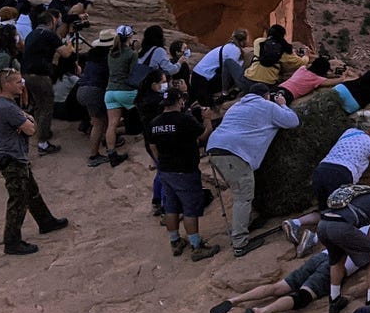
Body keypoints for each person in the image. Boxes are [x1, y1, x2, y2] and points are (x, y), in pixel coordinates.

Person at [209, 222, 370, 313]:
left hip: (321, 257)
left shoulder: (361, 226)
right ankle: (261, 312)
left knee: (279, 287)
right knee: (302, 296)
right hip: (332, 267)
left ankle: (234, 300)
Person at [203, 84, 299, 257]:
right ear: (267, 95)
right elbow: (292, 121)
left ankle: (245, 224)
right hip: (234, 153)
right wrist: (282, 104)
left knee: (241, 191)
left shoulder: (237, 105)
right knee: (243, 197)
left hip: (215, 148)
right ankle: (240, 243)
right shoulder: (267, 105)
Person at [0, 70, 68, 255]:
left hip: (17, 157)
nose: (21, 85)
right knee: (18, 200)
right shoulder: (7, 107)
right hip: (13, 159)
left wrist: (26, 121)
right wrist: (27, 122)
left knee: (31, 192)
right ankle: (12, 241)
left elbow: (27, 122)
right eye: (18, 82)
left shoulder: (6, 104)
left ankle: (46, 221)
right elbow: (31, 129)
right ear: (7, 85)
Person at [146, 90, 219, 260]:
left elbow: (152, 145)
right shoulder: (184, 119)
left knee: (171, 207)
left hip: (165, 170)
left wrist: (160, 163)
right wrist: (208, 120)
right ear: (179, 101)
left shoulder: (155, 122)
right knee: (189, 209)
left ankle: (175, 241)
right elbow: (201, 136)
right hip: (185, 170)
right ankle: (196, 246)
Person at [314, 180, 370, 313]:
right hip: (341, 228)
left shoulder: (360, 196)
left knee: (338, 259)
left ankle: (335, 300)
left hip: (323, 225)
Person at [309, 125, 370, 205]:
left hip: (321, 169)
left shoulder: (349, 131)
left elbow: (368, 149)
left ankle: (296, 222)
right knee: (339, 208)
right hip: (340, 173)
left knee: (324, 209)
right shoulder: (368, 142)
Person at [20, 10, 69, 155]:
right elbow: (65, 53)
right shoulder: (49, 35)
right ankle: (43, 142)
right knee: (47, 106)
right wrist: (70, 46)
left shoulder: (32, 34)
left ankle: (39, 130)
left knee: (38, 105)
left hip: (27, 74)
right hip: (40, 76)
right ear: (52, 21)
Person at [101, 24, 140, 162]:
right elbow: (133, 74)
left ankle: (112, 154)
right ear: (130, 37)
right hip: (126, 91)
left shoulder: (111, 53)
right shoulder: (132, 54)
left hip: (110, 92)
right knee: (147, 107)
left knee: (112, 124)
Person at [77, 31, 116, 166]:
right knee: (98, 123)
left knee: (101, 119)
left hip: (82, 89)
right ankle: (94, 156)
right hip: (94, 91)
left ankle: (107, 139)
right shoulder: (107, 59)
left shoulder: (93, 57)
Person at [190, 29, 248, 102]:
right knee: (206, 104)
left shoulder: (229, 47)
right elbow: (233, 71)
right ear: (243, 40)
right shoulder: (234, 50)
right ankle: (225, 94)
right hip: (202, 78)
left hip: (200, 75)